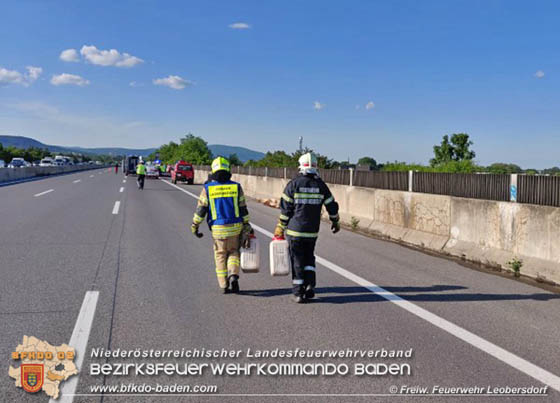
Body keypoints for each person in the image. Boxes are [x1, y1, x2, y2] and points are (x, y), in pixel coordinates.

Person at [274, 152, 340, 303]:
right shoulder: (321, 185)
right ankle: (310, 285)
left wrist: (280, 227)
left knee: (297, 259)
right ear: (315, 167)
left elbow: (286, 210)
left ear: (300, 167)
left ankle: (298, 292)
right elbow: (332, 206)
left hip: (295, 231)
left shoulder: (293, 184)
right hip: (312, 231)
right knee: (309, 257)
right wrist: (335, 221)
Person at [191, 157, 253, 293]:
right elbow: (243, 209)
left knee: (220, 255)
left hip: (218, 229)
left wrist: (195, 225)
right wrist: (247, 224)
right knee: (234, 252)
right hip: (236, 227)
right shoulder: (236, 187)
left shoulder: (207, 189)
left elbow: (201, 210)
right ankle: (233, 275)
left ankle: (224, 285)